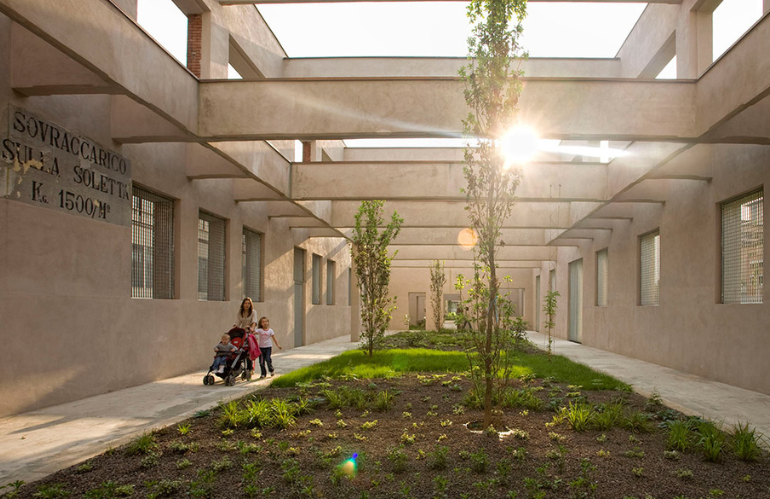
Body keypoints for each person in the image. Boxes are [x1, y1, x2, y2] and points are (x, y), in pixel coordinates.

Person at [235, 297, 257, 373]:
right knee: (240, 348)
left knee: (248, 351)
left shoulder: (253, 312)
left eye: (248, 303)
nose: (247, 305)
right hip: (242, 332)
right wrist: (235, 327)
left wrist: (252, 329)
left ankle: (250, 368)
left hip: (249, 332)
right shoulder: (240, 312)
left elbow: (254, 322)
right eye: (245, 303)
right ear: (243, 304)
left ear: (250, 305)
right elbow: (238, 322)